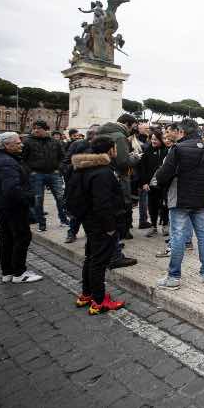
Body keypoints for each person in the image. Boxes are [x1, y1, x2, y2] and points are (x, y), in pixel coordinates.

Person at [67, 136, 126, 315]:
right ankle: (99, 301)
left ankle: (87, 294)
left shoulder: (83, 168)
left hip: (89, 220)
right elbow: (103, 203)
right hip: (101, 223)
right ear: (109, 150)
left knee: (91, 257)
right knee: (98, 261)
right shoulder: (102, 172)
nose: (116, 151)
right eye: (115, 148)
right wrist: (110, 227)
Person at [155, 119, 204, 290]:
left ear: (182, 132)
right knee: (203, 235)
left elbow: (163, 175)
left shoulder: (177, 149)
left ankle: (174, 277)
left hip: (180, 198)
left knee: (178, 237)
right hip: (200, 199)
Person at [0, 132, 43, 283]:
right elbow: (12, 189)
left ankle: (8, 272)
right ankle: (19, 273)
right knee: (22, 237)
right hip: (13, 207)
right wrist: (28, 200)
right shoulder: (7, 162)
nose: (21, 145)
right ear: (6, 145)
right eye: (17, 143)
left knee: (6, 238)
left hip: (2, 205)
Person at [96, 114, 141, 268]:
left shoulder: (100, 131)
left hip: (103, 176)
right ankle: (115, 253)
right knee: (117, 211)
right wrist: (135, 158)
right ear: (127, 124)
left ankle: (111, 248)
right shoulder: (119, 136)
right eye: (134, 125)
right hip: (118, 178)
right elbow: (123, 162)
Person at [22, 120, 68, 232]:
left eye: (39, 128)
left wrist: (59, 169)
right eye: (34, 128)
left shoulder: (55, 142)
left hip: (54, 173)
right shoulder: (28, 142)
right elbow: (23, 159)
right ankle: (41, 223)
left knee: (60, 197)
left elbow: (63, 157)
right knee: (38, 200)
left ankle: (63, 220)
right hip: (36, 174)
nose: (36, 130)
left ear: (45, 129)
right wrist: (30, 171)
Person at [61, 124, 99, 243]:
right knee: (77, 211)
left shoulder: (100, 146)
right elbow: (65, 163)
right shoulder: (77, 144)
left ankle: (92, 236)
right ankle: (72, 232)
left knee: (91, 212)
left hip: (93, 184)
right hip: (77, 183)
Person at [140, 129, 169, 238]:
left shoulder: (166, 150)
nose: (153, 141)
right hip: (151, 184)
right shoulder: (147, 150)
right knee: (152, 205)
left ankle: (165, 225)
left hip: (163, 184)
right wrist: (144, 183)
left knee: (165, 205)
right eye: (152, 139)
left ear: (160, 140)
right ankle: (153, 226)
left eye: (155, 139)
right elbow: (143, 168)